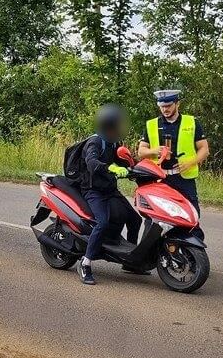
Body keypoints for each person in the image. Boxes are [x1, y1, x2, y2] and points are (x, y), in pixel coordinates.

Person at [73, 104, 141, 285]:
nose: (120, 128)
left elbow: (124, 162)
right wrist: (111, 168)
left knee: (135, 220)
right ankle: (86, 263)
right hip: (93, 191)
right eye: (118, 124)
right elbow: (92, 163)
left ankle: (130, 262)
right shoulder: (95, 142)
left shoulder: (113, 143)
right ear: (108, 125)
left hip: (110, 190)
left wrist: (138, 169)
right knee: (101, 223)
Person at [137, 88, 209, 239]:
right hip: (159, 179)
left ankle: (194, 255)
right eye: (162, 106)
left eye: (168, 105)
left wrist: (191, 162)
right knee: (155, 218)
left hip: (184, 179)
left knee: (191, 217)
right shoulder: (151, 125)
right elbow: (141, 151)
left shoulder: (192, 122)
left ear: (177, 104)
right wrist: (155, 151)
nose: (165, 109)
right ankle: (147, 257)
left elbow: (204, 149)